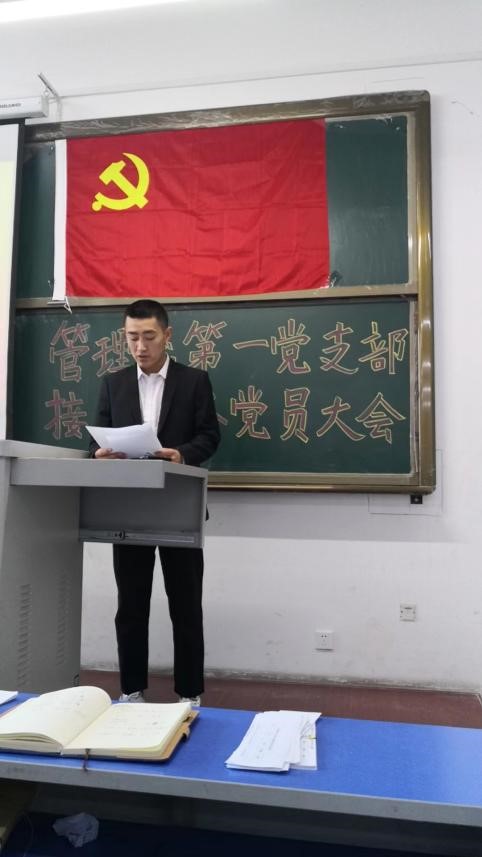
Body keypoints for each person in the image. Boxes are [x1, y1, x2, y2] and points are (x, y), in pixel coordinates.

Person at [90, 299, 220, 705]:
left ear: (167, 335)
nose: (140, 346)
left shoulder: (194, 381)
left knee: (186, 605)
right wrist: (98, 455)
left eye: (148, 336)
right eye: (132, 337)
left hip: (179, 508)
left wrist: (182, 454)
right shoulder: (113, 383)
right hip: (128, 511)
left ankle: (189, 694)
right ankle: (131, 691)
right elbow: (94, 440)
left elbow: (210, 436)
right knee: (130, 606)